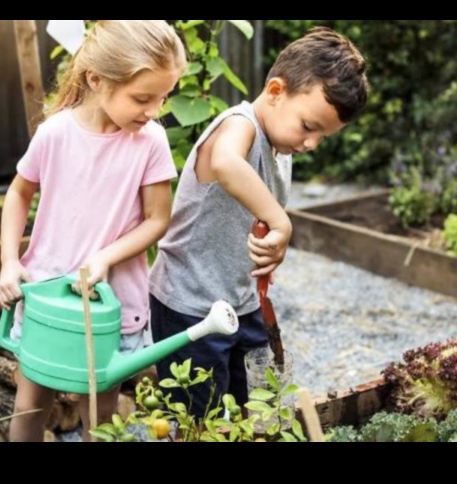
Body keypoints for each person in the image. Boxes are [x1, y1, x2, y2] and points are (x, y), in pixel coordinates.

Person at [150, 26, 369, 417]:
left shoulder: (281, 149)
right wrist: (281, 222)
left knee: (247, 407)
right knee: (199, 418)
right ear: (275, 91)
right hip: (191, 305)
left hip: (241, 302)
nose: (312, 144)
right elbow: (226, 163)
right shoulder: (240, 125)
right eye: (308, 126)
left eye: (324, 136)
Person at [0, 20, 186, 442]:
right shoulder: (55, 134)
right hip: (47, 295)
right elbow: (18, 193)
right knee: (29, 411)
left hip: (111, 305)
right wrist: (10, 262)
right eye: (142, 98)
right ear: (97, 79)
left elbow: (158, 219)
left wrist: (104, 257)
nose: (154, 110)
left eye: (163, 97)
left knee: (100, 422)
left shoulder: (151, 141)